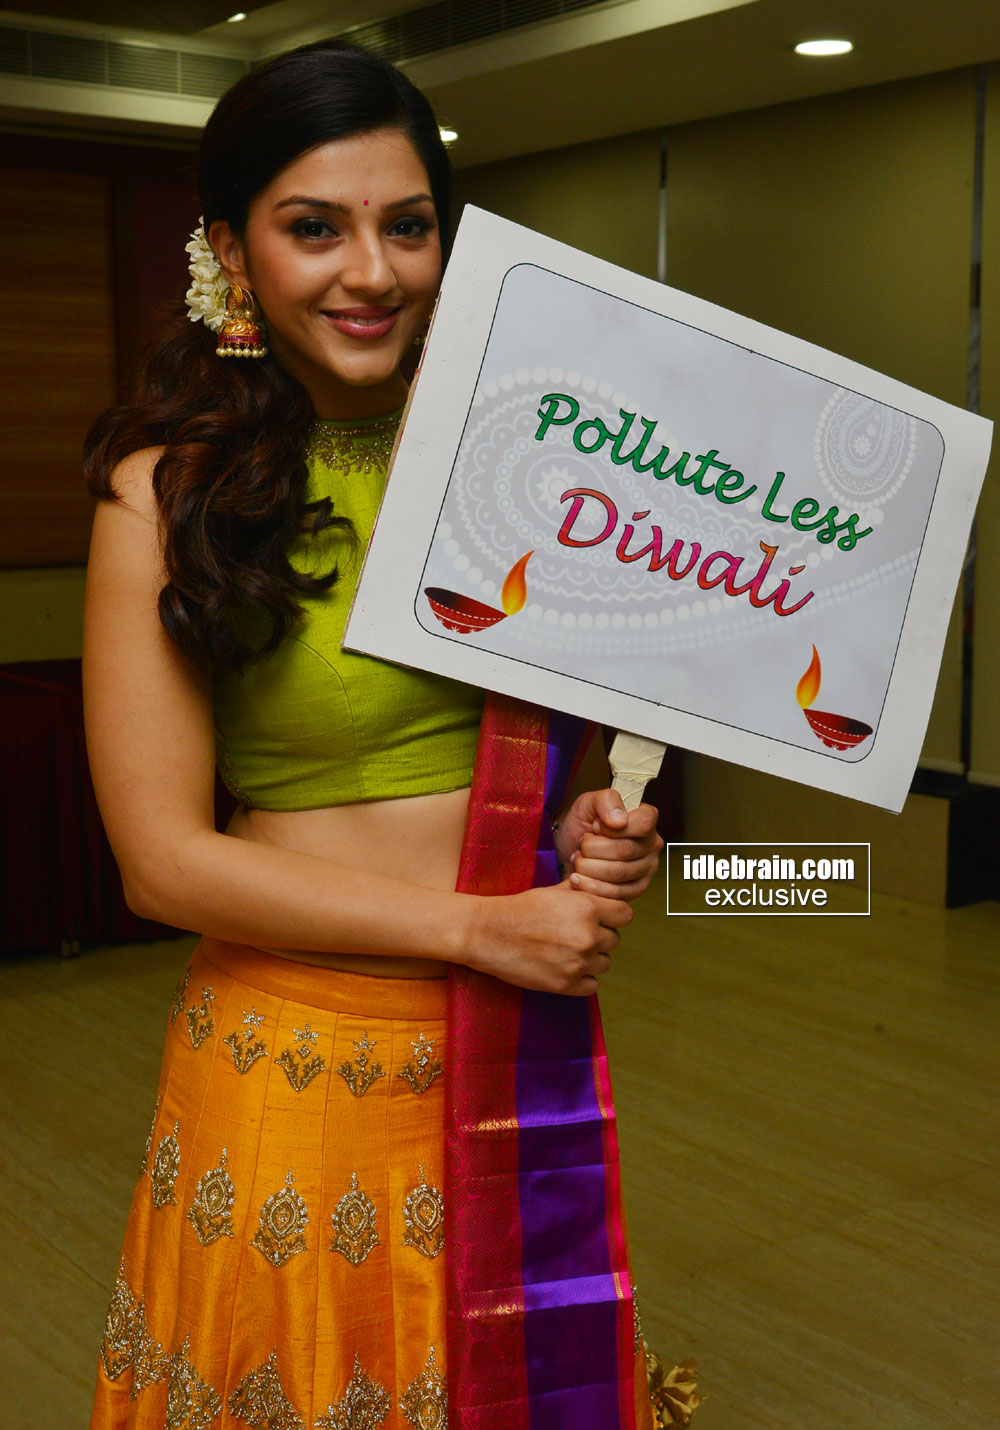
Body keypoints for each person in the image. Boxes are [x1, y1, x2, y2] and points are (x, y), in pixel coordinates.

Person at [83, 39, 674, 1430]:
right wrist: (482, 930)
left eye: (407, 226)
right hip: (299, 1068)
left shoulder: (517, 462)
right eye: (314, 228)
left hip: (512, 1042)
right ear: (231, 252)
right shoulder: (164, 492)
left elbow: (537, 761)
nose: (373, 272)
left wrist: (584, 827)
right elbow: (161, 864)